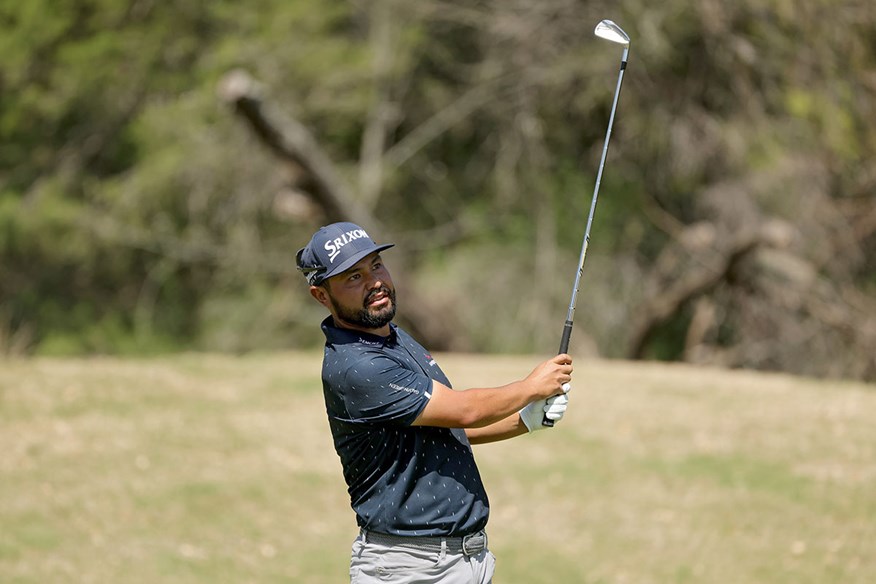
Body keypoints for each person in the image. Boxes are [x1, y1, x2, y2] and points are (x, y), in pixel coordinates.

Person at [296, 221, 573, 583]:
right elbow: (464, 410)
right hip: (411, 568)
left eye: (376, 265)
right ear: (321, 295)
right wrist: (531, 387)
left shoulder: (391, 337)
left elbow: (443, 428)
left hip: (461, 560)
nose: (374, 282)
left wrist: (525, 420)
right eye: (353, 277)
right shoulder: (357, 367)